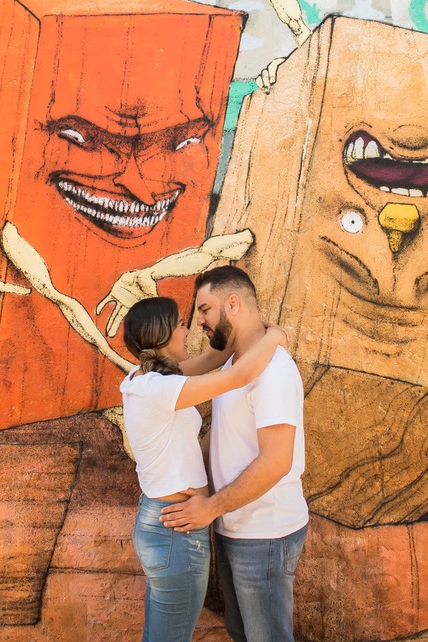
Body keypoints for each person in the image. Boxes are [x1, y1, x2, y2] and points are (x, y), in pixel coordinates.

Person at [120, 296, 289, 642]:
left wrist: (254, 330)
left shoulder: (146, 378)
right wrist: (276, 337)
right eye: (181, 324)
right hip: (175, 530)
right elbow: (240, 375)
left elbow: (216, 357)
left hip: (165, 523)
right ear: (163, 334)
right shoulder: (160, 389)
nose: (188, 330)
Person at [160, 266, 308, 642]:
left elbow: (276, 461)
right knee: (243, 635)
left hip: (265, 535)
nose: (199, 323)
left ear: (232, 303)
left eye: (205, 310)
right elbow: (225, 437)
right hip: (234, 526)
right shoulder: (234, 365)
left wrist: (210, 507)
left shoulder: (273, 372)